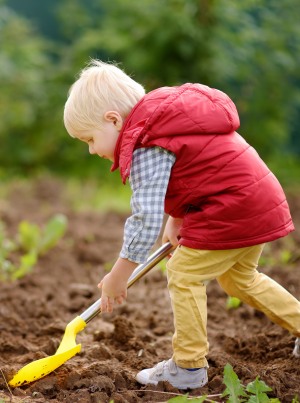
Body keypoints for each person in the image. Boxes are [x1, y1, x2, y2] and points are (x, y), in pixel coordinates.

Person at [64, 60, 300, 390]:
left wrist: (119, 275)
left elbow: (144, 218)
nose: (91, 150)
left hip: (231, 206)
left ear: (113, 120)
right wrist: (177, 218)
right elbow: (196, 170)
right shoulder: (167, 122)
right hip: (253, 198)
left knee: (184, 273)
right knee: (239, 280)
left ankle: (188, 367)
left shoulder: (147, 144)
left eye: (89, 139)